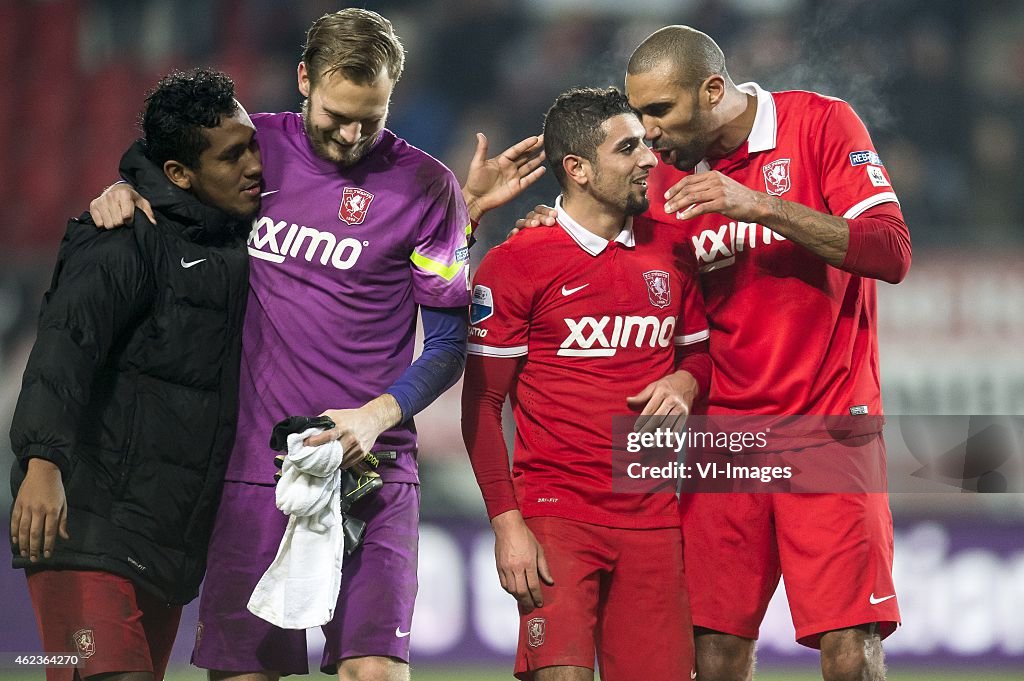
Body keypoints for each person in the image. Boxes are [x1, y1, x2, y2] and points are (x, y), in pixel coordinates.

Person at [90, 9, 546, 681]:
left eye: (373, 115)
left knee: (376, 671)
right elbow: (159, 182)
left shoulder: (428, 189)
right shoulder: (248, 153)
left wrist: (376, 415)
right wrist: (123, 194)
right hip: (253, 471)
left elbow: (448, 343)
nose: (354, 133)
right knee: (245, 673)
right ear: (304, 79)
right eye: (337, 114)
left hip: (375, 471)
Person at [517, 25, 912, 681]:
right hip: (719, 437)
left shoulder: (819, 124)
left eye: (660, 111)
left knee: (851, 648)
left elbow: (890, 251)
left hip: (827, 423)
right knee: (712, 653)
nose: (647, 129)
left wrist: (760, 205)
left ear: (711, 89)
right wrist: (550, 231)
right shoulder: (656, 179)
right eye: (637, 113)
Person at [9, 68, 260, 681]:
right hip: (85, 523)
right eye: (232, 156)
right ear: (179, 174)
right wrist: (43, 463)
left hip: (163, 536)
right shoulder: (121, 239)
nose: (254, 165)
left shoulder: (244, 243)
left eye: (253, 144)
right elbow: (63, 351)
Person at [462, 87, 712, 681]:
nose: (649, 159)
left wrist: (682, 381)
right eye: (628, 149)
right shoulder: (517, 261)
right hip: (557, 514)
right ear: (576, 168)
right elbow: (482, 405)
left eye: (646, 146)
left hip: (652, 518)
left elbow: (698, 359)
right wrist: (507, 526)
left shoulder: (674, 248)